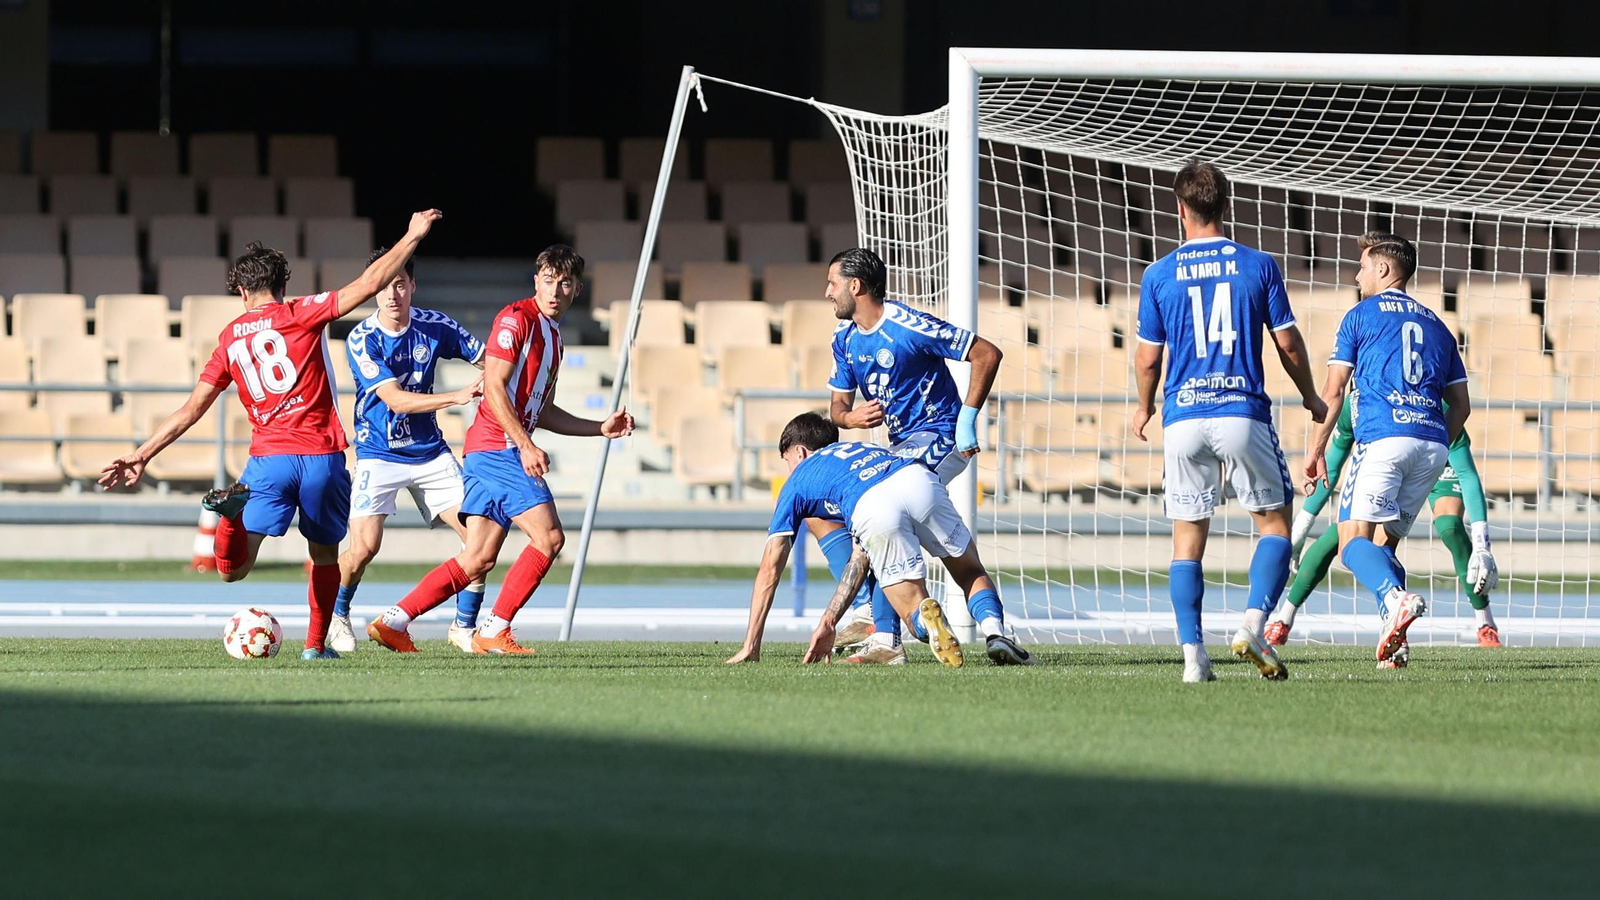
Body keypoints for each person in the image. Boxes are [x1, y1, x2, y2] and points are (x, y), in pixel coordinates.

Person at [98, 211, 443, 660]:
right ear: (283, 285)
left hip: (268, 462)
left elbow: (192, 409)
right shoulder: (302, 312)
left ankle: (228, 519)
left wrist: (142, 454)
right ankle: (315, 647)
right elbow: (369, 283)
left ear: (242, 292)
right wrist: (412, 236)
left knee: (232, 570)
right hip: (321, 459)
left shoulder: (229, 338)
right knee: (325, 556)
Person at [366, 244, 633, 655]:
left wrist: (599, 428)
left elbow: (542, 410)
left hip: (489, 449)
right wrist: (525, 445)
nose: (555, 290)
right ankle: (495, 628)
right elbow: (493, 386)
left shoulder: (554, 337)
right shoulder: (516, 319)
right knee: (549, 538)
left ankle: (394, 621)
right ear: (536, 281)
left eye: (565, 283)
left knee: (478, 558)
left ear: (577, 289)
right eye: (548, 280)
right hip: (498, 448)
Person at [1132, 161, 1325, 682]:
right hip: (1241, 411)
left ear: (1180, 209)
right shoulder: (1258, 264)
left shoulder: (1158, 274)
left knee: (1186, 539)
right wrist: (1310, 396)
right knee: (1275, 525)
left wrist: (1145, 406)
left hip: (1183, 418)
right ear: (1227, 204)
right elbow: (1287, 343)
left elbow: (1149, 358)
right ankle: (1254, 625)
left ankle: (1193, 658)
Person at [725, 412, 1031, 668]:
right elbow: (861, 554)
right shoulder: (860, 450)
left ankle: (921, 620)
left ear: (800, 453)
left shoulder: (799, 481)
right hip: (916, 478)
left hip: (873, 506)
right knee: (970, 571)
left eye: (787, 460)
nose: (789, 469)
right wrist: (830, 620)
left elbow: (770, 569)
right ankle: (996, 633)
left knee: (913, 610)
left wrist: (751, 644)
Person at [821, 247, 1007, 661]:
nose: (827, 292)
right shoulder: (844, 339)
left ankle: (883, 632)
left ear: (855, 285)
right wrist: (851, 418)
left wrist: (967, 420)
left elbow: (986, 353)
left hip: (942, 435)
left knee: (881, 516)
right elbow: (836, 408)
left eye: (832, 283)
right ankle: (995, 633)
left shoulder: (908, 326)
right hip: (901, 449)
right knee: (897, 528)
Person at [1301, 231, 1471, 666]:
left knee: (1351, 543)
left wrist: (1316, 449)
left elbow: (1334, 390)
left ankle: (1395, 601)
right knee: (1383, 545)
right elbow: (1462, 405)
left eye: (1362, 267)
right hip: (1432, 445)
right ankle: (1396, 642)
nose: (1357, 276)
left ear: (1383, 268)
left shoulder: (1360, 315)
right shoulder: (1439, 326)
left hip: (1383, 438)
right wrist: (1435, 438)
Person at [327, 247, 489, 654]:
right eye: (384, 285)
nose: (392, 294)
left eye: (399, 284)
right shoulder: (362, 338)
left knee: (480, 538)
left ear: (412, 285)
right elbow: (396, 401)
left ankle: (464, 627)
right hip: (378, 453)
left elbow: (490, 360)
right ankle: (338, 615)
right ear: (373, 289)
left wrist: (511, 375)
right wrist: (457, 396)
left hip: (430, 452)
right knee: (364, 548)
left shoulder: (436, 326)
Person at [1265, 397, 1501, 665]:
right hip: (1396, 457)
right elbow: (1332, 464)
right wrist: (1302, 524)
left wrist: (1482, 544)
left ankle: (1484, 622)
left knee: (1449, 528)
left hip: (1432, 457)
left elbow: (1466, 471)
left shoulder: (1436, 405)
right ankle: (1284, 618)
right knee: (1351, 539)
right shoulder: (1356, 403)